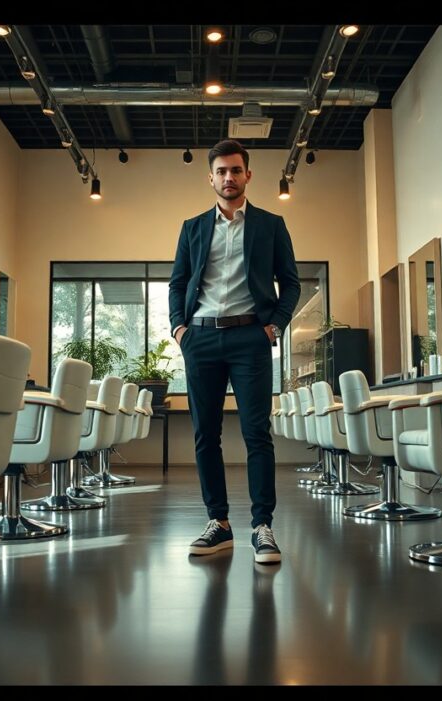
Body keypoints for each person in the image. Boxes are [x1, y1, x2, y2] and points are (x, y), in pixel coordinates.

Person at [169, 139, 300, 564]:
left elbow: (291, 282)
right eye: (221, 171)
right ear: (211, 178)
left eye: (235, 170)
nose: (229, 177)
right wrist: (179, 329)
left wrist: (274, 326)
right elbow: (178, 281)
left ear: (248, 175)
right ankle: (218, 524)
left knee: (256, 433)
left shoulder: (270, 224)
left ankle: (263, 527)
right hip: (201, 339)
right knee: (206, 434)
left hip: (250, 339)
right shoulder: (192, 226)